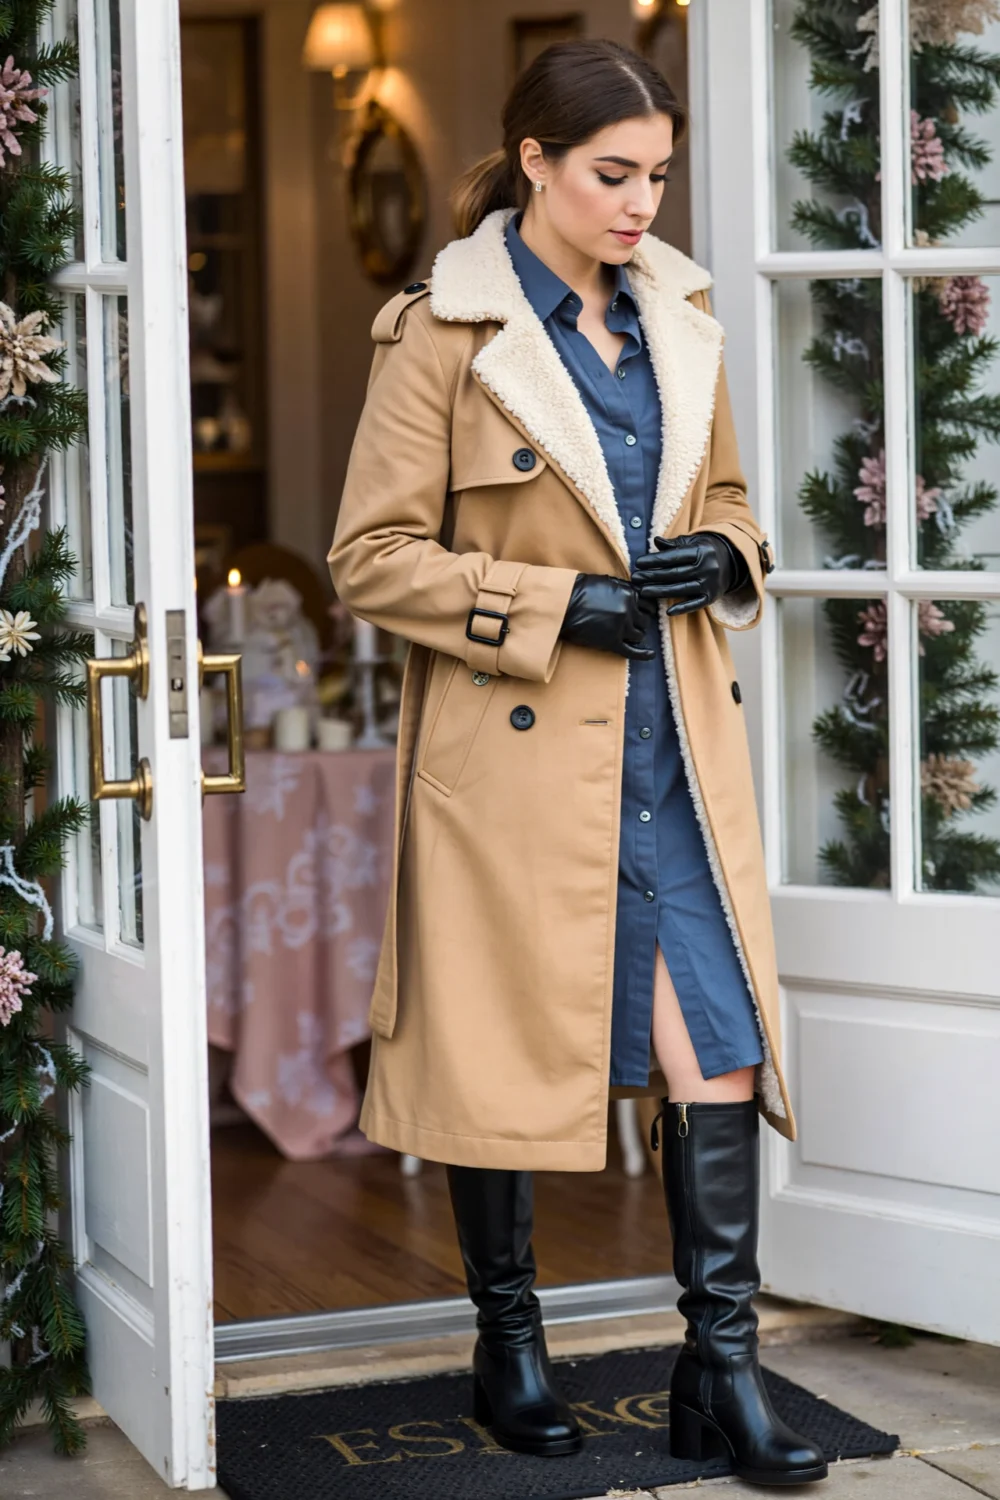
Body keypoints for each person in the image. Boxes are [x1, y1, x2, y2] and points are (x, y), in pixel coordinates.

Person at [329, 37, 827, 1489]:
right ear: (535, 161)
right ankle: (511, 1346)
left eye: (658, 176)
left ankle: (720, 1374)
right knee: (498, 1050)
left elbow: (731, 496)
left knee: (718, 1050)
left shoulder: (681, 316)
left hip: (677, 748)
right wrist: (549, 605)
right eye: (614, 174)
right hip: (514, 761)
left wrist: (720, 555)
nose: (641, 205)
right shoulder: (440, 333)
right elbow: (371, 556)